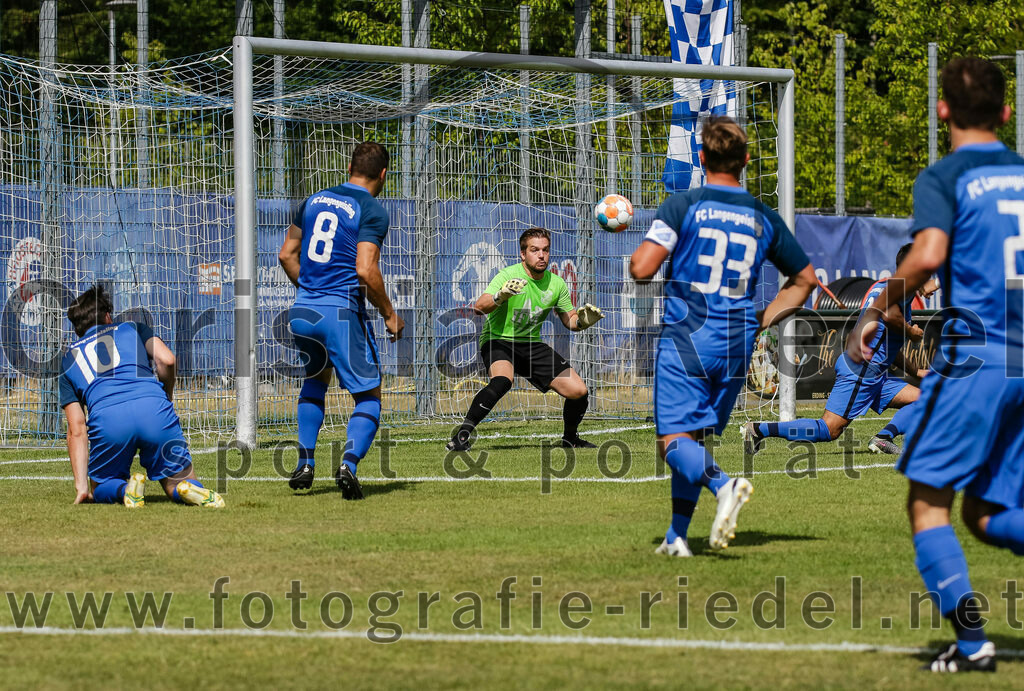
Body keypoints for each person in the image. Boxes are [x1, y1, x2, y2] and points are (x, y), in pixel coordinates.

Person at [849, 57, 1024, 674]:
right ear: (1007, 112)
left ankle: (974, 645)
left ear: (942, 110)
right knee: (987, 513)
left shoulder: (946, 176)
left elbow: (926, 255)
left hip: (978, 360)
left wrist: (875, 307)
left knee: (929, 506)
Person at [630, 115, 816, 557]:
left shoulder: (682, 205)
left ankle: (724, 484)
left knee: (672, 442)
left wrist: (645, 240)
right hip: (737, 340)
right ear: (746, 160)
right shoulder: (761, 214)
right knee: (692, 437)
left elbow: (641, 268)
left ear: (701, 157)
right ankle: (677, 537)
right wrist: (765, 318)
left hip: (688, 338)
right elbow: (804, 279)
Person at [278, 141, 404, 499]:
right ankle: (347, 465)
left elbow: (287, 255)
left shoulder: (313, 200)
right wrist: (390, 314)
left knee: (316, 381)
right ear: (383, 174)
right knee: (369, 396)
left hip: (303, 311)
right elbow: (365, 270)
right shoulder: (371, 209)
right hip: (340, 312)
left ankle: (305, 462)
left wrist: (312, 290)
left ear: (350, 167)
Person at [743, 244, 933, 456]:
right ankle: (757, 429)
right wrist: (911, 331)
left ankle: (883, 439)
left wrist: (916, 371)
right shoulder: (901, 289)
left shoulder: (889, 287)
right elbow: (888, 315)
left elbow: (887, 343)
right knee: (829, 429)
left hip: (873, 372)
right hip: (861, 372)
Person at [59, 285, 224, 508]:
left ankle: (125, 490)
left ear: (78, 328)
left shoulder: (69, 358)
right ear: (108, 315)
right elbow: (167, 360)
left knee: (102, 486)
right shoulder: (133, 328)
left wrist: (82, 488)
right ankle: (189, 488)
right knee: (177, 481)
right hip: (154, 409)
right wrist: (166, 397)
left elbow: (76, 429)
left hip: (110, 421)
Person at [447, 227, 605, 451]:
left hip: (531, 344)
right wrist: (500, 295)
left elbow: (569, 321)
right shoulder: (508, 276)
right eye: (534, 250)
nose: (541, 255)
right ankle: (461, 436)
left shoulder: (557, 283)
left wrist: (582, 322)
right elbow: (479, 307)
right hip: (498, 340)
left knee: (579, 391)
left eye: (545, 250)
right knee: (502, 381)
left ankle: (570, 439)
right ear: (523, 254)